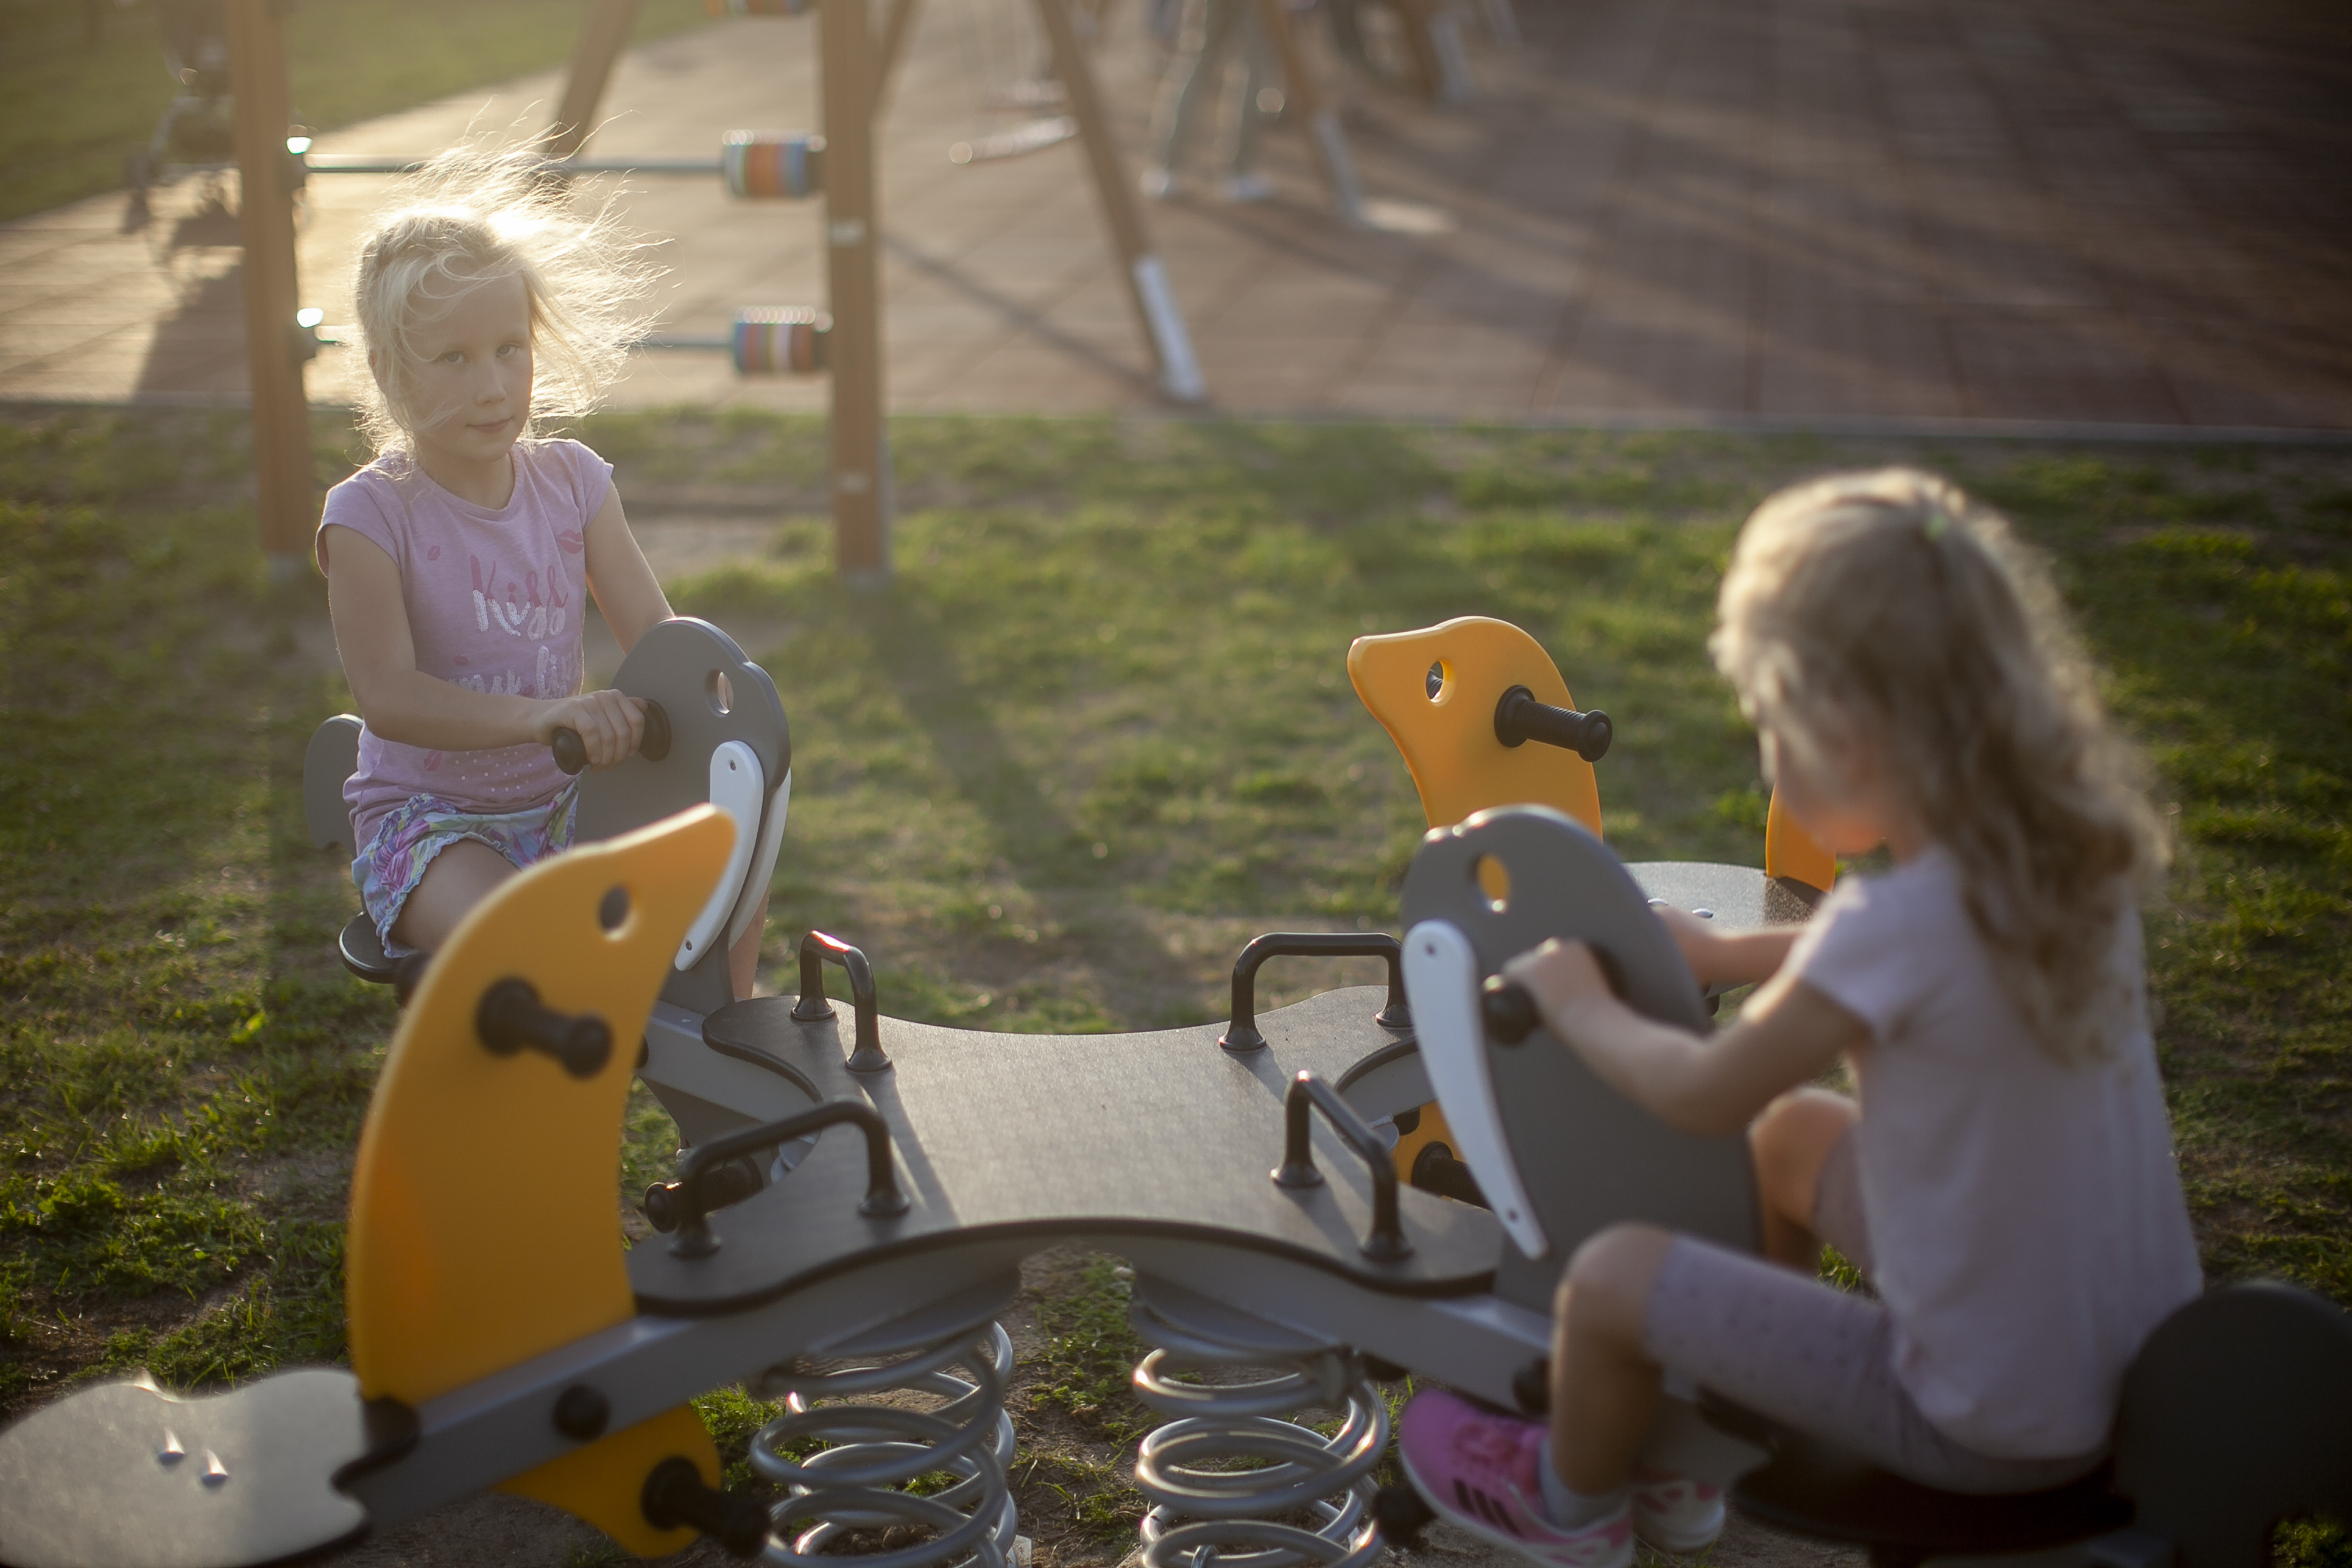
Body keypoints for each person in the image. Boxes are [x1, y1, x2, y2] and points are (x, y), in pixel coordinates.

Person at [1397, 468, 2202, 1565]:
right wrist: (1730, 950)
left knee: (1616, 1272)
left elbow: (1701, 1089)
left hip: (1982, 1419)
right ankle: (1697, 1441)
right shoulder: (2068, 866)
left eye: (1771, 724)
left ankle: (1565, 1507)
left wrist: (1577, 1006)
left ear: (1850, 728)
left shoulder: (1891, 928)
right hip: (2135, 1369)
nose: (1768, 758)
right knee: (1794, 1139)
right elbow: (1925, 969)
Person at [317, 149, 764, 998]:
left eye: (509, 348)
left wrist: (727, 718)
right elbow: (388, 695)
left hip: (569, 806)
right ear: (385, 370)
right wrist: (544, 715)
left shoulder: (573, 484)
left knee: (731, 857)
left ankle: (726, 1046)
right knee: (533, 939)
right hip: (433, 825)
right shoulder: (370, 517)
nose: (492, 386)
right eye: (453, 359)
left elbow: (655, 638)